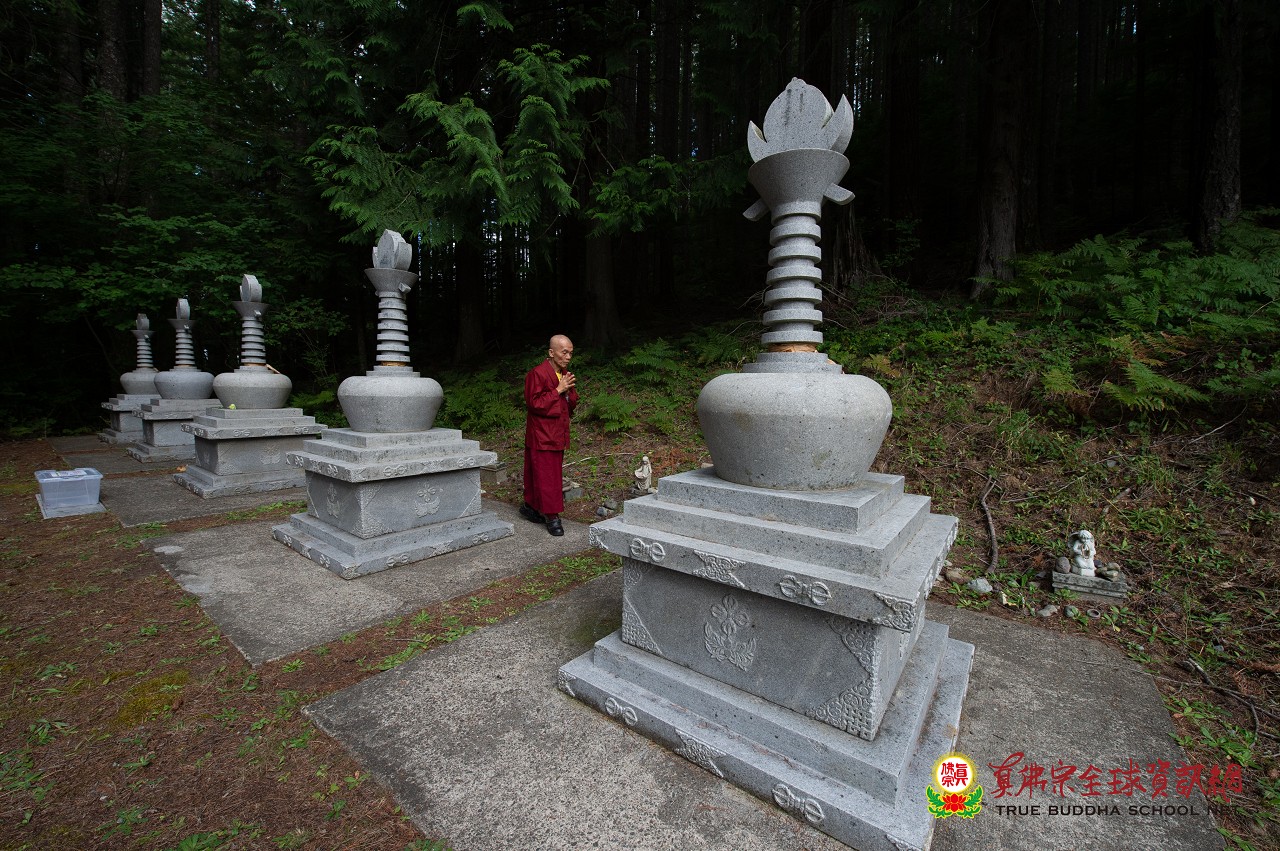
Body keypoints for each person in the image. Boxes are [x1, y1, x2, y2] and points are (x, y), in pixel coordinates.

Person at [522, 335, 578, 536]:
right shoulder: (537, 374)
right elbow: (534, 403)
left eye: (570, 353)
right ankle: (552, 516)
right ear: (551, 353)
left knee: (542, 473)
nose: (568, 357)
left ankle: (530, 506)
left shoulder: (563, 374)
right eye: (564, 352)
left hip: (557, 433)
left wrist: (568, 393)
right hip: (542, 434)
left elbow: (571, 401)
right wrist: (558, 390)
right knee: (548, 477)